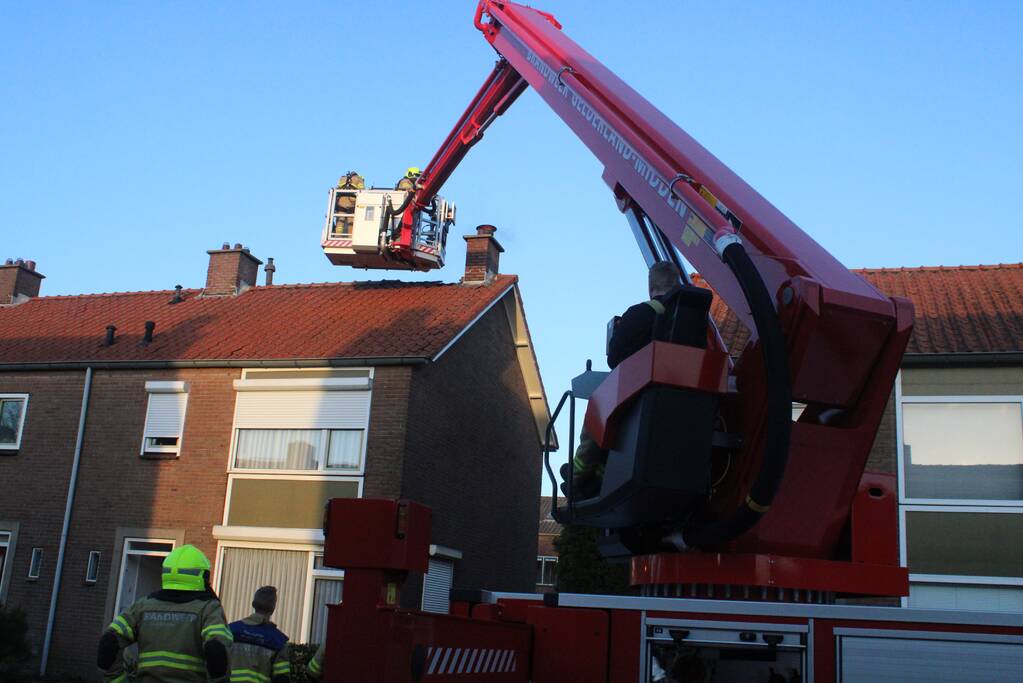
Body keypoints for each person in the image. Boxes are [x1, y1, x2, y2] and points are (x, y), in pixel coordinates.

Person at [561, 261, 712, 499]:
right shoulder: (695, 323)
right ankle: (598, 475)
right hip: (683, 408)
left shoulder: (640, 313)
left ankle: (577, 477)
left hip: (638, 399)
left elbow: (615, 359)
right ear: (676, 284)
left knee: (597, 413)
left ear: (651, 287)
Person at [97, 544, 232, 682]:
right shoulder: (209, 608)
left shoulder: (142, 606)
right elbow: (218, 653)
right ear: (202, 575)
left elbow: (109, 644)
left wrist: (118, 680)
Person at [228, 586, 291, 683]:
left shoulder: (230, 631)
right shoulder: (278, 641)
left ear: (253, 604)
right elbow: (282, 678)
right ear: (273, 608)